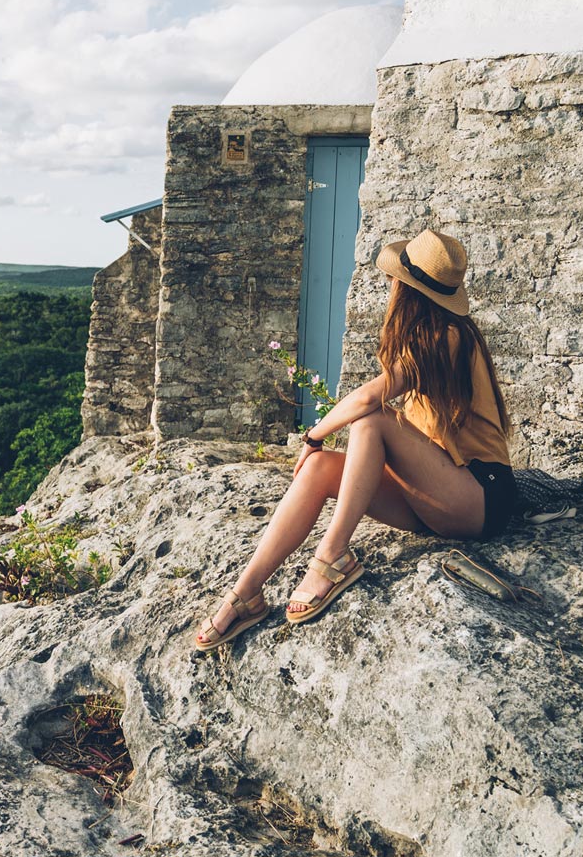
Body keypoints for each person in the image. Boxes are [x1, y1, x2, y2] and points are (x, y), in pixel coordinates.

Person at [192, 227, 518, 651]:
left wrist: (313, 434)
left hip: (481, 497)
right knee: (320, 470)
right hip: (441, 497)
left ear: (407, 289)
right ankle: (246, 593)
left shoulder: (449, 337)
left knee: (371, 420)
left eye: (394, 280)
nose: (389, 285)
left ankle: (332, 556)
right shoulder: (430, 337)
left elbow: (368, 398)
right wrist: (316, 452)